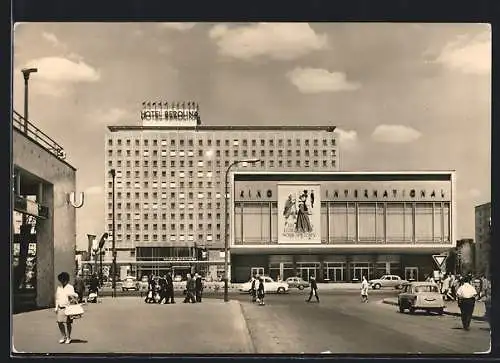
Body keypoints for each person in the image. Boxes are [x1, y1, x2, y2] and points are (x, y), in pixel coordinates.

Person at [55, 272, 79, 344]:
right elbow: (57, 298)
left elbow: (75, 296)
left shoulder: (70, 287)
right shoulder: (59, 287)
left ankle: (68, 337)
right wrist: (56, 307)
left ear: (66, 280)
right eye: (60, 280)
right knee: (59, 322)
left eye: (63, 279)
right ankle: (63, 336)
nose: (61, 281)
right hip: (60, 307)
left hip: (68, 308)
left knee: (68, 323)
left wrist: (72, 295)